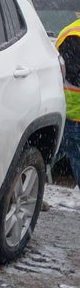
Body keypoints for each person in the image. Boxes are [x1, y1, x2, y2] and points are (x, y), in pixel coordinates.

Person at [56, 18, 80, 188]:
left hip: (71, 115)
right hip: (72, 114)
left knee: (54, 152)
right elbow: (74, 74)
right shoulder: (74, 35)